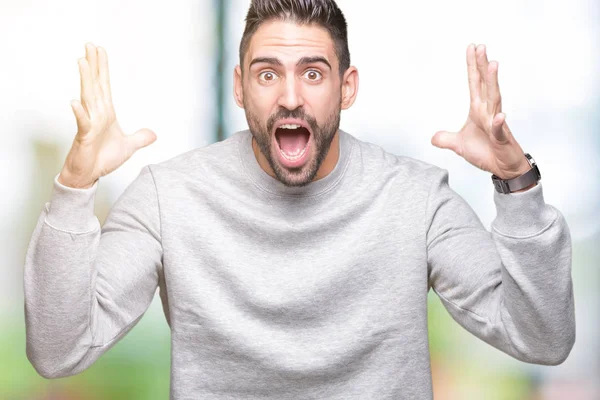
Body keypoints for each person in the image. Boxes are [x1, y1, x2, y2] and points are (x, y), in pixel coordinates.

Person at [23, 0, 575, 399]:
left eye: (313, 73)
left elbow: (543, 339)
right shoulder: (169, 197)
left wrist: (516, 180)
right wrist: (74, 187)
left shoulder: (415, 199)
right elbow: (58, 351)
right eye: (268, 74)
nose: (290, 97)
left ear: (347, 87)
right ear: (239, 87)